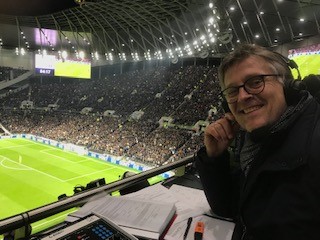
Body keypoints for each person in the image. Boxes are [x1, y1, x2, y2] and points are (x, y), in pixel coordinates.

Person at [196, 44, 320, 240]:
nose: (243, 96)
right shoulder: (254, 141)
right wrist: (215, 158)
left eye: (255, 82)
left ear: (288, 85)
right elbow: (229, 207)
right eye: (232, 91)